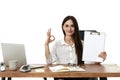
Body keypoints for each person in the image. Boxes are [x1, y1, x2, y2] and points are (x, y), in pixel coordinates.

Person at [45, 15, 107, 80]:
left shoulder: (82, 44)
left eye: (72, 26)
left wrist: (100, 58)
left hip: (80, 77)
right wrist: (46, 44)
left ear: (76, 28)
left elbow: (91, 63)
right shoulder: (57, 44)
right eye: (67, 26)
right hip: (63, 77)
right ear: (62, 27)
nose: (69, 29)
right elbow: (49, 62)